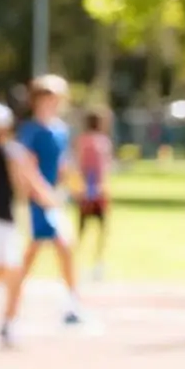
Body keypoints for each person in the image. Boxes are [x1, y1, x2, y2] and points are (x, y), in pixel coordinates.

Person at [0, 102, 57, 350]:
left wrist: (44, 196)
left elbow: (25, 179)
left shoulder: (2, 151)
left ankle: (3, 324)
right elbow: (27, 178)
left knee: (8, 275)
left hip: (0, 222)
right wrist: (47, 197)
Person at [11, 74, 84, 328]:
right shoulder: (31, 130)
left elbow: (62, 164)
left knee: (61, 249)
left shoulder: (60, 129)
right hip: (40, 201)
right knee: (49, 249)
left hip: (54, 199)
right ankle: (12, 308)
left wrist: (69, 187)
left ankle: (71, 304)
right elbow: (27, 166)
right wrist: (42, 194)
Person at [74, 108, 114, 282]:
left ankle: (83, 263)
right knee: (100, 229)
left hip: (87, 190)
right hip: (94, 191)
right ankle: (95, 263)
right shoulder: (100, 142)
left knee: (84, 229)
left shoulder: (82, 141)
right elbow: (101, 168)